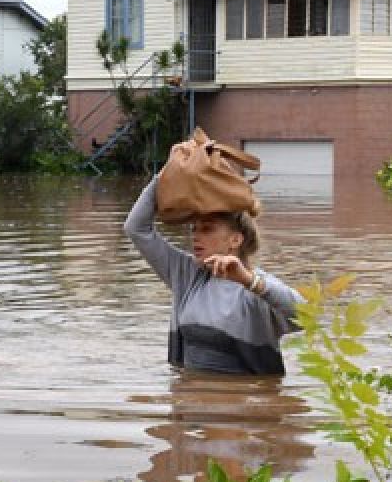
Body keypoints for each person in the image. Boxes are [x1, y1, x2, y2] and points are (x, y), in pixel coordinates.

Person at [123, 158, 301, 375]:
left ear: (235, 240)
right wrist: (171, 172)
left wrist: (248, 280)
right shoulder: (188, 275)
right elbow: (136, 228)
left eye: (207, 229)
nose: (196, 237)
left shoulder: (257, 287)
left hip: (244, 403)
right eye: (194, 230)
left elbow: (305, 316)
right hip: (189, 399)